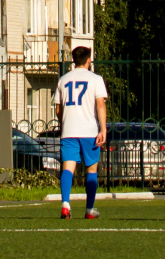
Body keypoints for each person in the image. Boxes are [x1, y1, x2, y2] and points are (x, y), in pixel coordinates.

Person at [55, 46, 107, 221]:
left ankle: (65, 205)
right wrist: (103, 128)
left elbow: (57, 108)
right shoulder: (96, 79)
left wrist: (64, 122)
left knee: (68, 168)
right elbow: (100, 104)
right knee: (91, 169)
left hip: (69, 130)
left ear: (73, 60)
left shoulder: (63, 80)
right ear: (89, 60)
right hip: (89, 131)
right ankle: (89, 209)